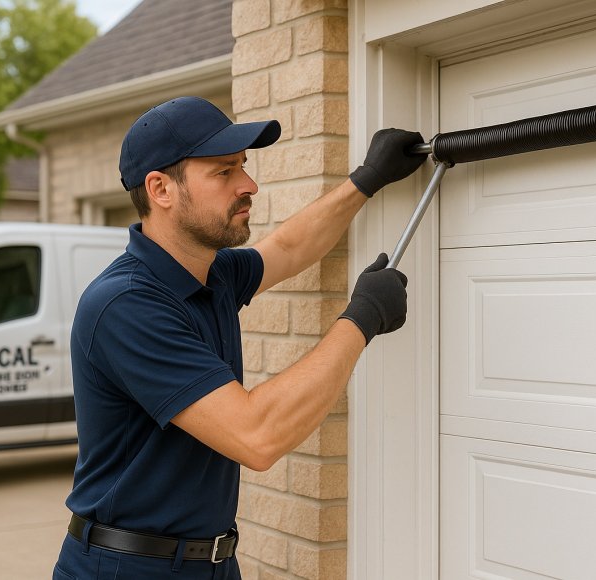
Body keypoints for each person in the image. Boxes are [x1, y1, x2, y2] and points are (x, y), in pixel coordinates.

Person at [52, 96, 426, 579]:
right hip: (127, 568)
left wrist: (366, 180)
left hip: (211, 563)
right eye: (224, 172)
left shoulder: (212, 274)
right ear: (161, 188)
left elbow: (290, 247)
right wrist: (363, 317)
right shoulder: (126, 305)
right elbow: (257, 435)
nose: (249, 185)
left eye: (243, 168)